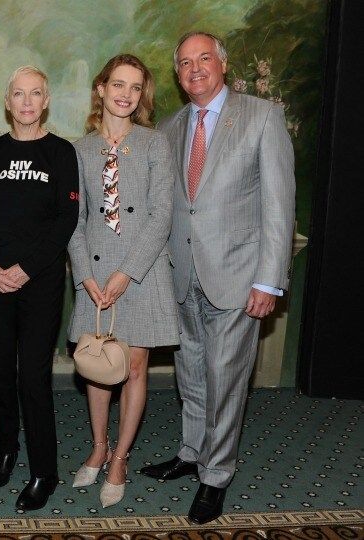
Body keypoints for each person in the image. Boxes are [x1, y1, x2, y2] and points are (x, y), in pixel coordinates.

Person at [140, 32, 295, 524]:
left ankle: (216, 475)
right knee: (190, 375)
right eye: (185, 62)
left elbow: (279, 204)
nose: (195, 69)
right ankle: (191, 452)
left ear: (222, 64)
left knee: (226, 379)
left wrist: (269, 281)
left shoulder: (262, 117)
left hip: (237, 278)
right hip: (182, 278)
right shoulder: (169, 129)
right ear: (178, 74)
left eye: (204, 58)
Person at [67, 54, 179, 507]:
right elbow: (72, 221)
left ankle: (120, 459)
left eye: (135, 87)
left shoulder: (155, 145)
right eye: (118, 84)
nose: (125, 94)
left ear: (142, 95)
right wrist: (86, 275)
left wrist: (126, 272)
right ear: (101, 88)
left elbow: (161, 215)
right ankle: (98, 447)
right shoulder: (78, 149)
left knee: (133, 367)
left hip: (142, 272)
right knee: (98, 364)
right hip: (95, 278)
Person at [0, 66, 79, 510]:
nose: (27, 102)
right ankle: (7, 448)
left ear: (46, 99)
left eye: (35, 94)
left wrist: (25, 269)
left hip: (40, 283)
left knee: (32, 376)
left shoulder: (61, 153)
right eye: (19, 94)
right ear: (8, 101)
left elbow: (65, 221)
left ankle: (43, 471)